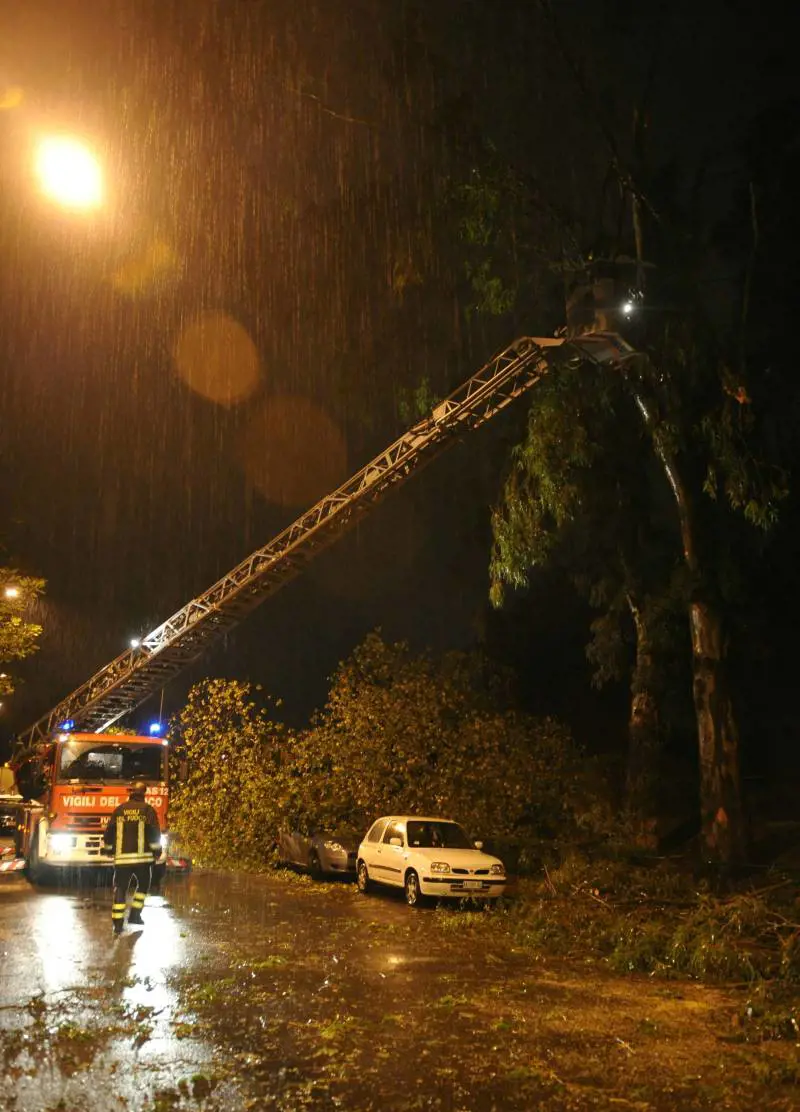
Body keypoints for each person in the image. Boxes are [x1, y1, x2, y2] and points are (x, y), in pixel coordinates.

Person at [102, 781, 161, 935]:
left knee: (120, 888)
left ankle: (118, 923)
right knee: (142, 887)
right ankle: (135, 915)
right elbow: (154, 832)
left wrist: (108, 850)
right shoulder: (148, 810)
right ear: (144, 793)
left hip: (122, 861)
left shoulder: (120, 810)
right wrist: (157, 851)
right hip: (143, 861)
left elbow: (109, 832)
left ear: (131, 792)